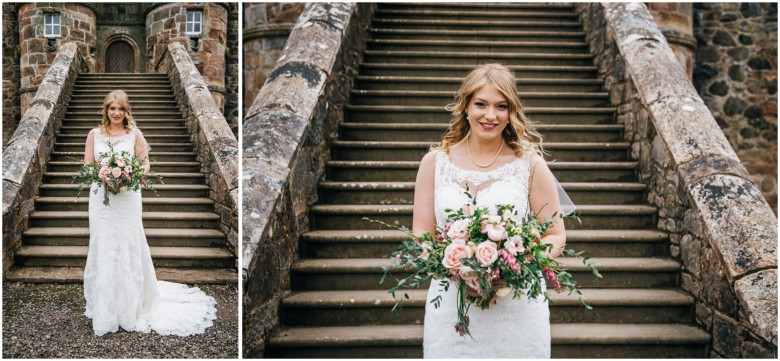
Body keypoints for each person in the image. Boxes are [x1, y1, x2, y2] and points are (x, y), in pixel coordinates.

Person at [413, 64, 566, 358]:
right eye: (481, 104)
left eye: (501, 106)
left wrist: (514, 267)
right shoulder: (434, 163)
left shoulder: (529, 164)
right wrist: (455, 269)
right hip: (452, 302)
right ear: (466, 106)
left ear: (511, 111)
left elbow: (555, 234)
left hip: (516, 306)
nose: (490, 116)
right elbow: (422, 233)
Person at [82, 90, 217, 336]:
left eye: (120, 109)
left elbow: (145, 163)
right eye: (112, 108)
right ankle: (103, 306)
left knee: (128, 244)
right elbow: (88, 164)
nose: (116, 113)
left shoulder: (135, 134)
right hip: (101, 198)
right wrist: (103, 175)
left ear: (126, 111)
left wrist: (129, 176)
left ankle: (131, 306)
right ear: (106, 110)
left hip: (128, 197)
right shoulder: (94, 134)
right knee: (103, 245)